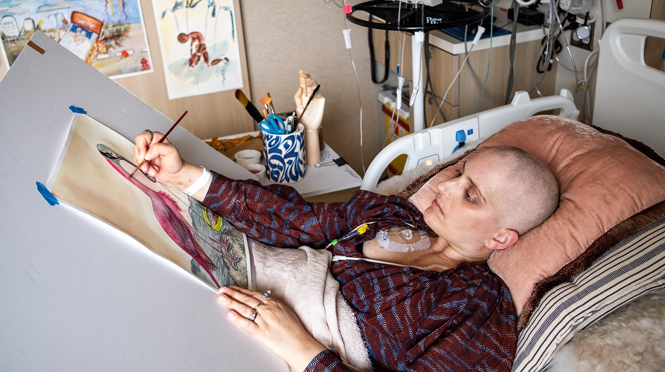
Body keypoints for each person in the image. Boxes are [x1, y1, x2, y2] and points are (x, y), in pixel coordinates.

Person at [134, 132, 559, 372]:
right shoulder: (392, 211)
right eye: (458, 172)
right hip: (227, 290)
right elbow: (294, 220)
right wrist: (187, 176)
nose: (444, 186)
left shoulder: (477, 308)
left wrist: (303, 350)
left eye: (470, 195)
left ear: (501, 239)